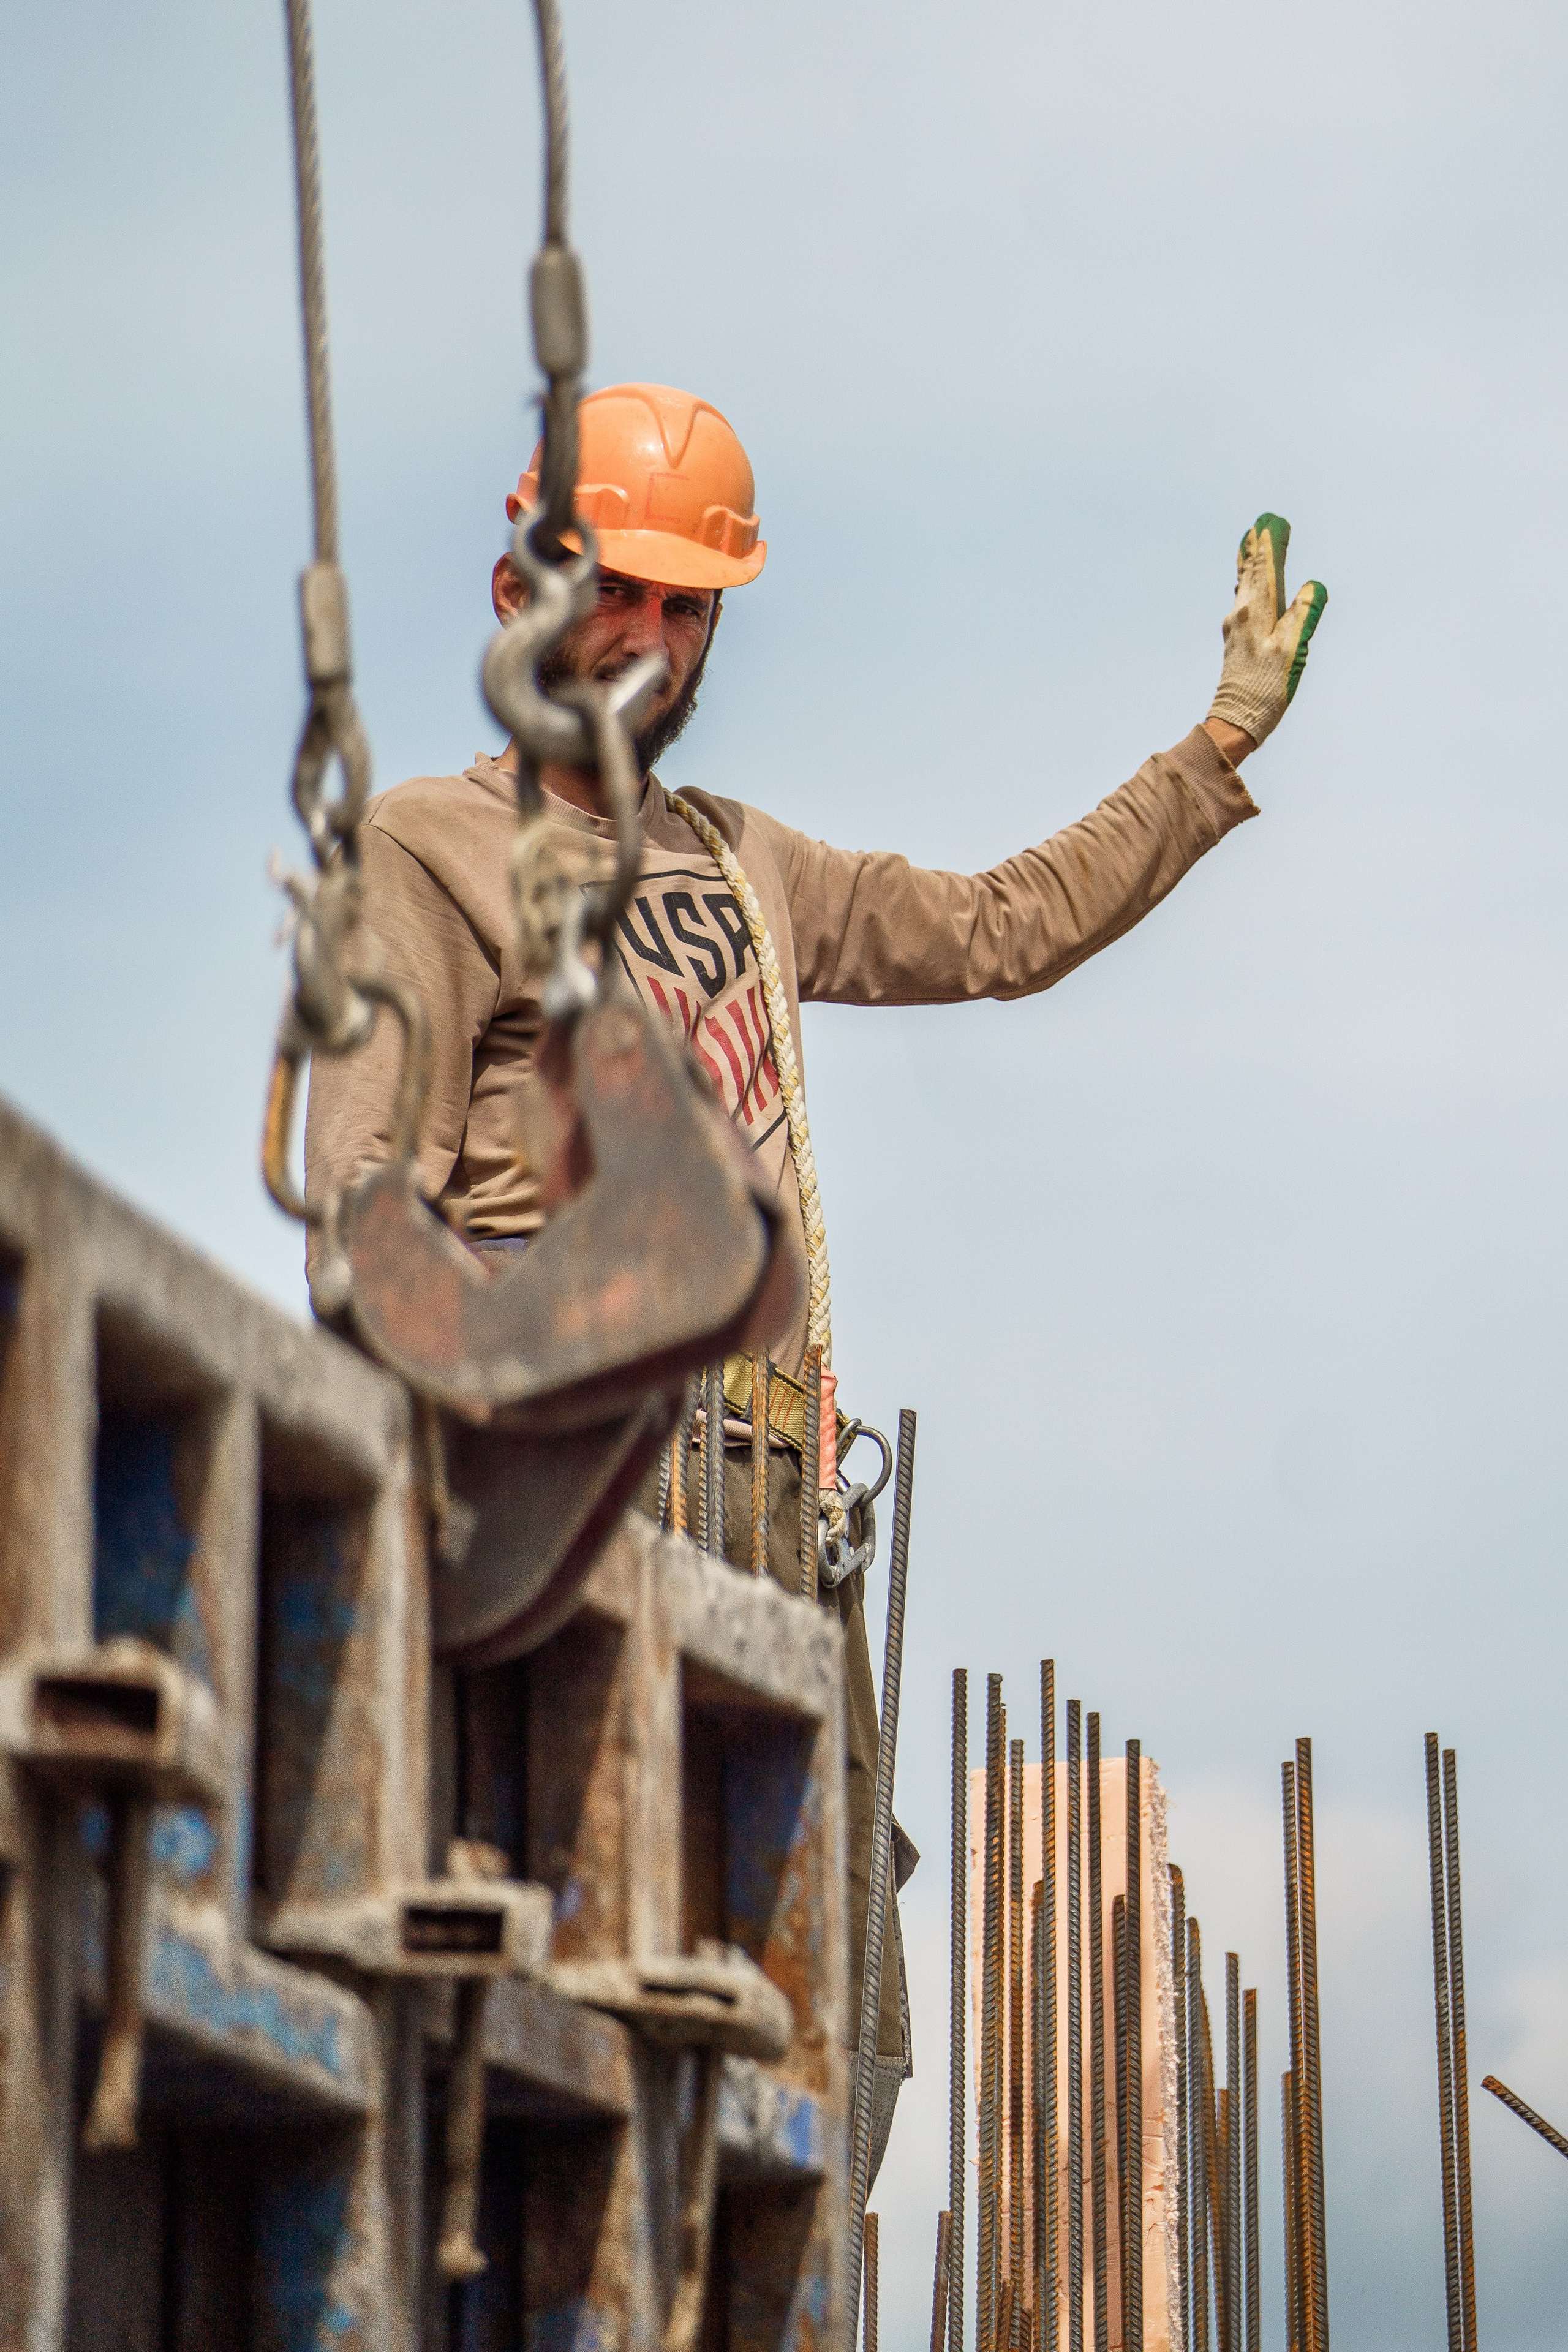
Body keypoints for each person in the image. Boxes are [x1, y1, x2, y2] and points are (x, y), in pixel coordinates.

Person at [304, 380, 1327, 2184]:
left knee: (830, 2023)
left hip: (774, 1505)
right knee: (587, 1985)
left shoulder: (744, 865)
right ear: (515, 588)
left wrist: (1213, 749)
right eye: (611, 586)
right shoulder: (429, 850)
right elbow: (359, 1207)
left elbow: (999, 928)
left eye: (685, 605)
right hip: (573, 1479)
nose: (644, 635)